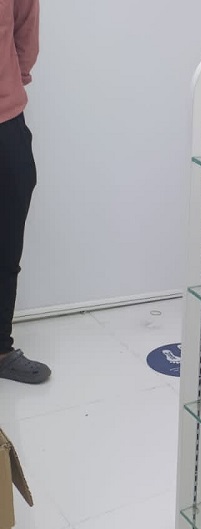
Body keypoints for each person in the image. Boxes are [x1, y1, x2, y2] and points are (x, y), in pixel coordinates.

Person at [1, 0, 49, 384]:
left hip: (5, 118)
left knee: (5, 241)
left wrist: (10, 84)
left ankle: (0, 349)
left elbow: (24, 27)